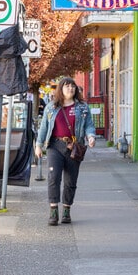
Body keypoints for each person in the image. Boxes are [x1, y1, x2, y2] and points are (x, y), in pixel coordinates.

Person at [35, 77, 96, 225]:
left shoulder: (82, 107)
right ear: (61, 89)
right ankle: (53, 210)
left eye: (73, 86)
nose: (70, 89)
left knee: (70, 180)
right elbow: (44, 127)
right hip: (55, 146)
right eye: (67, 86)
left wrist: (91, 136)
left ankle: (67, 210)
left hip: (74, 147)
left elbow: (89, 125)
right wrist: (38, 144)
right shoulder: (51, 107)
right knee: (53, 177)